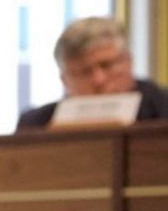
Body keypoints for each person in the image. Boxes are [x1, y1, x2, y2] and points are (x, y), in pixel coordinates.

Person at [16, 16, 168, 130]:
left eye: (107, 65)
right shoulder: (34, 125)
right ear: (65, 80)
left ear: (128, 61)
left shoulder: (162, 107)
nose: (98, 80)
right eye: (84, 72)